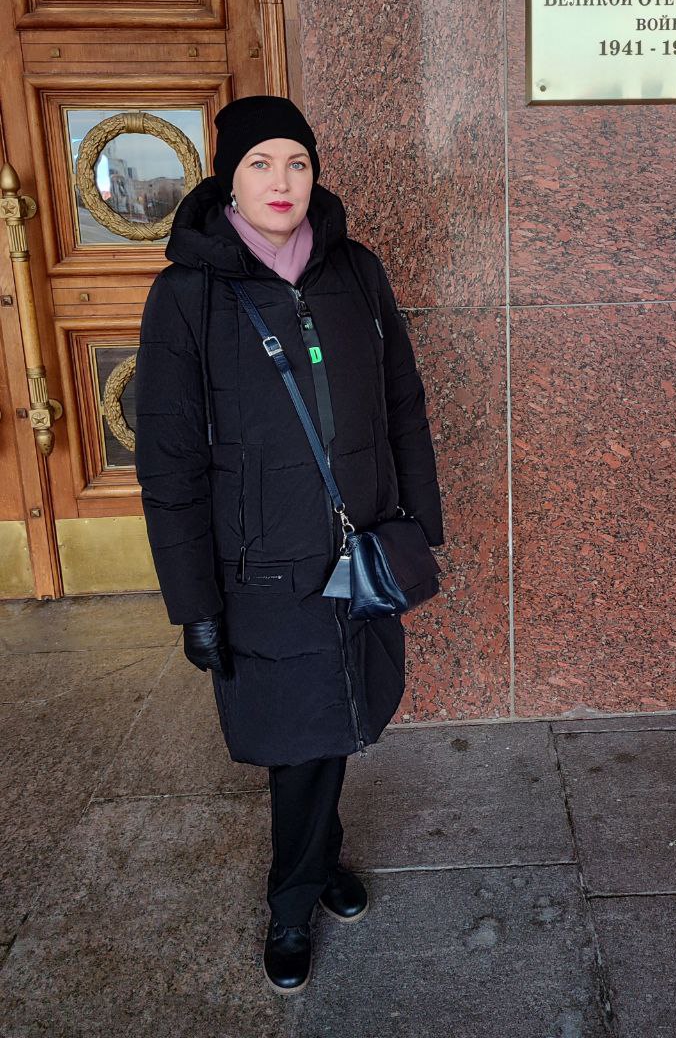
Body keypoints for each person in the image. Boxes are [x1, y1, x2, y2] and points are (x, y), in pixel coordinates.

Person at [133, 95, 444, 995]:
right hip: (260, 565)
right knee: (300, 737)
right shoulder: (187, 294)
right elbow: (169, 462)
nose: (282, 182)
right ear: (229, 179)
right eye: (261, 164)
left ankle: (321, 856)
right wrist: (193, 603)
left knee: (335, 714)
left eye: (297, 163)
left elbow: (402, 403)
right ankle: (293, 901)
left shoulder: (355, 271)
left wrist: (418, 526)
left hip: (358, 546)